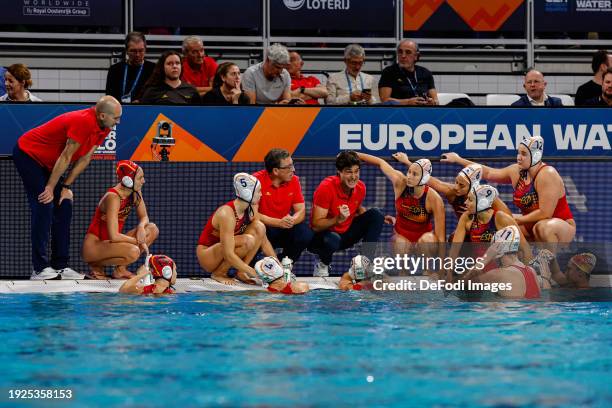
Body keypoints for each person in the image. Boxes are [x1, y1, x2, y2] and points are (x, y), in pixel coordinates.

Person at [13, 96, 122, 280]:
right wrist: (49, 187)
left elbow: (85, 158)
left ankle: (60, 265)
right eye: (116, 118)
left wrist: (65, 186)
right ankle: (39, 269)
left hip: (49, 165)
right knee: (44, 205)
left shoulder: (104, 127)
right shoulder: (84, 121)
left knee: (64, 204)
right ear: (103, 115)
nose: (118, 122)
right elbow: (65, 156)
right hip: (28, 154)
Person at [441, 136, 575, 246]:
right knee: (496, 224)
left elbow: (545, 214)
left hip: (559, 225)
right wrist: (458, 159)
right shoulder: (516, 171)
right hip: (530, 224)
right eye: (518, 153)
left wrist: (517, 220)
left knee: (542, 227)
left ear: (536, 155)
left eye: (524, 154)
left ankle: (551, 272)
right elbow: (488, 173)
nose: (519, 157)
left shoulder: (547, 174)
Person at [309, 151, 384, 277]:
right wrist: (337, 219)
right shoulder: (326, 187)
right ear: (339, 172)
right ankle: (323, 263)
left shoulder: (360, 188)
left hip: (346, 235)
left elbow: (356, 208)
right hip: (324, 239)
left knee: (376, 214)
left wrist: (373, 218)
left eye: (356, 171)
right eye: (349, 172)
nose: (354, 176)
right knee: (333, 239)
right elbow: (316, 225)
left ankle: (364, 264)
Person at [357, 153, 445, 256]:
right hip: (402, 239)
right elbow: (381, 162)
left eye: (414, 174)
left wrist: (442, 269)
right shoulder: (400, 183)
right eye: (409, 172)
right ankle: (403, 272)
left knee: (429, 240)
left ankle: (428, 271)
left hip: (423, 243)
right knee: (400, 243)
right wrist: (355, 154)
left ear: (424, 178)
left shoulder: (434, 198)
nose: (409, 176)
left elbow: (441, 238)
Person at [82, 161, 159, 279]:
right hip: (94, 246)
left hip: (112, 244)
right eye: (140, 178)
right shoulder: (113, 197)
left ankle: (120, 270)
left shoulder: (135, 192)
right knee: (134, 251)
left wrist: (140, 228)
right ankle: (95, 264)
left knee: (152, 229)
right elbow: (114, 236)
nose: (143, 181)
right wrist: (139, 241)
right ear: (128, 180)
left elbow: (144, 217)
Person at [197, 173, 277, 285]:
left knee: (259, 227)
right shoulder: (227, 214)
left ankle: (240, 273)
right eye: (258, 191)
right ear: (247, 193)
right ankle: (219, 273)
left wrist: (278, 266)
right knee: (247, 240)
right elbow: (228, 253)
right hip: (208, 255)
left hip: (222, 249)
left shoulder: (249, 211)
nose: (261, 194)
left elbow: (263, 240)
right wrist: (254, 272)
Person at [391, 153, 511, 221]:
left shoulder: (489, 197)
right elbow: (432, 181)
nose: (456, 187)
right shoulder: (452, 192)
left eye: (462, 185)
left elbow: (509, 220)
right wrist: (407, 162)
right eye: (456, 182)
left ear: (473, 186)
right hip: (467, 231)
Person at [448, 184, 531, 275]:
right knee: (452, 238)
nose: (465, 202)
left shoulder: (500, 218)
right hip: (479, 269)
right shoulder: (467, 218)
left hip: (502, 271)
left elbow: (525, 249)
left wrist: (526, 276)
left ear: (482, 203)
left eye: (470, 200)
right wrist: (449, 274)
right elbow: (455, 249)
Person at [253, 149, 313, 264]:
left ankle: (284, 264)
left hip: (284, 227)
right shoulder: (256, 181)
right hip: (264, 228)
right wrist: (278, 222)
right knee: (255, 229)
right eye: (289, 167)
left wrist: (292, 220)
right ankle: (251, 266)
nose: (293, 170)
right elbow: (253, 215)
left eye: (293, 165)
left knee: (304, 233)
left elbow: (300, 210)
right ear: (275, 170)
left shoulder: (294, 180)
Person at [462, 226, 541, 299]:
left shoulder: (499, 274)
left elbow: (461, 287)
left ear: (497, 252)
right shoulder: (532, 271)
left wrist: (485, 259)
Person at [378, 40, 437, 106]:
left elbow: (435, 100)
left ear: (416, 56)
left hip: (422, 111)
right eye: (400, 52)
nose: (403, 56)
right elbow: (384, 100)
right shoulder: (389, 72)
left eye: (408, 52)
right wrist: (408, 102)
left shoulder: (425, 73)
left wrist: (431, 102)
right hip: (398, 112)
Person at [104, 32, 155, 103]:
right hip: (119, 109)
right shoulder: (115, 69)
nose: (137, 55)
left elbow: (157, 94)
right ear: (126, 51)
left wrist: (141, 102)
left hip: (144, 109)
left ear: (145, 50)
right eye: (133, 51)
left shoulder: (153, 69)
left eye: (141, 51)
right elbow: (109, 96)